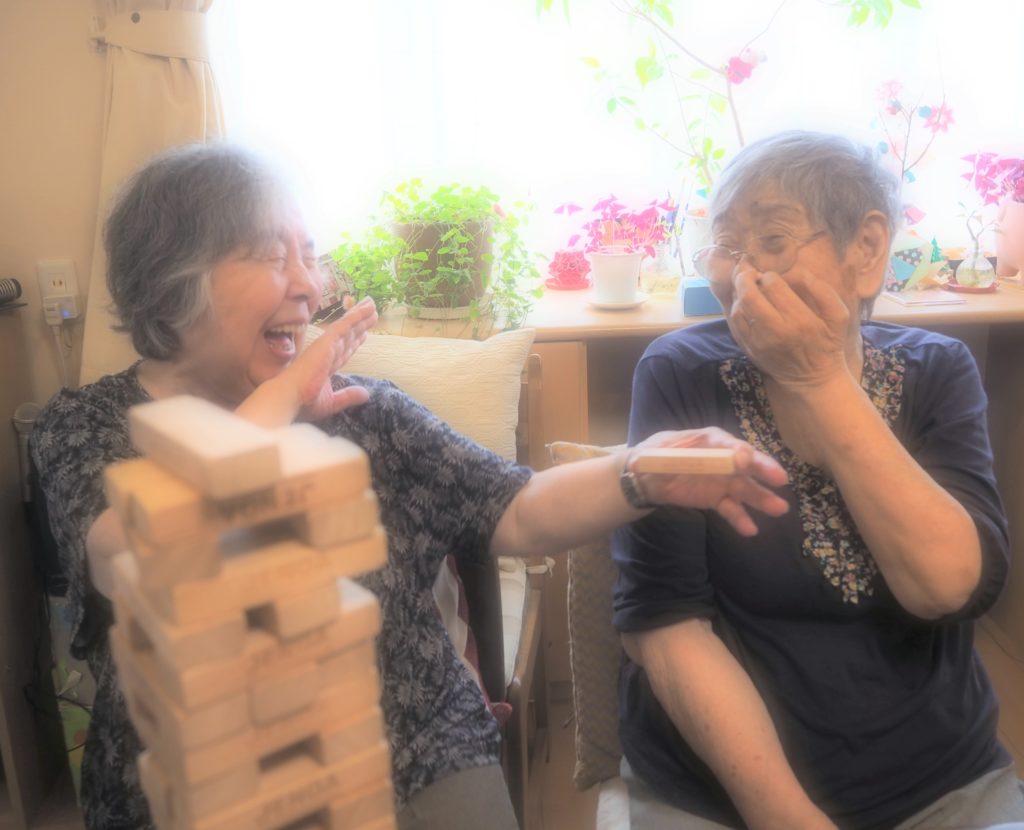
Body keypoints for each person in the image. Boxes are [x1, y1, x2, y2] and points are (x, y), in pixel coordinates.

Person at [31, 142, 791, 830]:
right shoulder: (84, 429)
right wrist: (283, 403)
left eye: (310, 256)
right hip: (201, 780)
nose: (309, 286)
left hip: (413, 742)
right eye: (270, 257)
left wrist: (638, 470)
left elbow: (517, 509)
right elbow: (136, 551)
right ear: (174, 277)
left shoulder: (365, 410)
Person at [613, 129, 1024, 830]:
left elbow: (948, 587)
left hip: (938, 780)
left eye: (772, 240)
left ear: (867, 249)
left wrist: (819, 378)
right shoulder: (678, 371)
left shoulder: (938, 369)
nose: (740, 274)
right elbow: (664, 624)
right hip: (718, 792)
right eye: (727, 245)